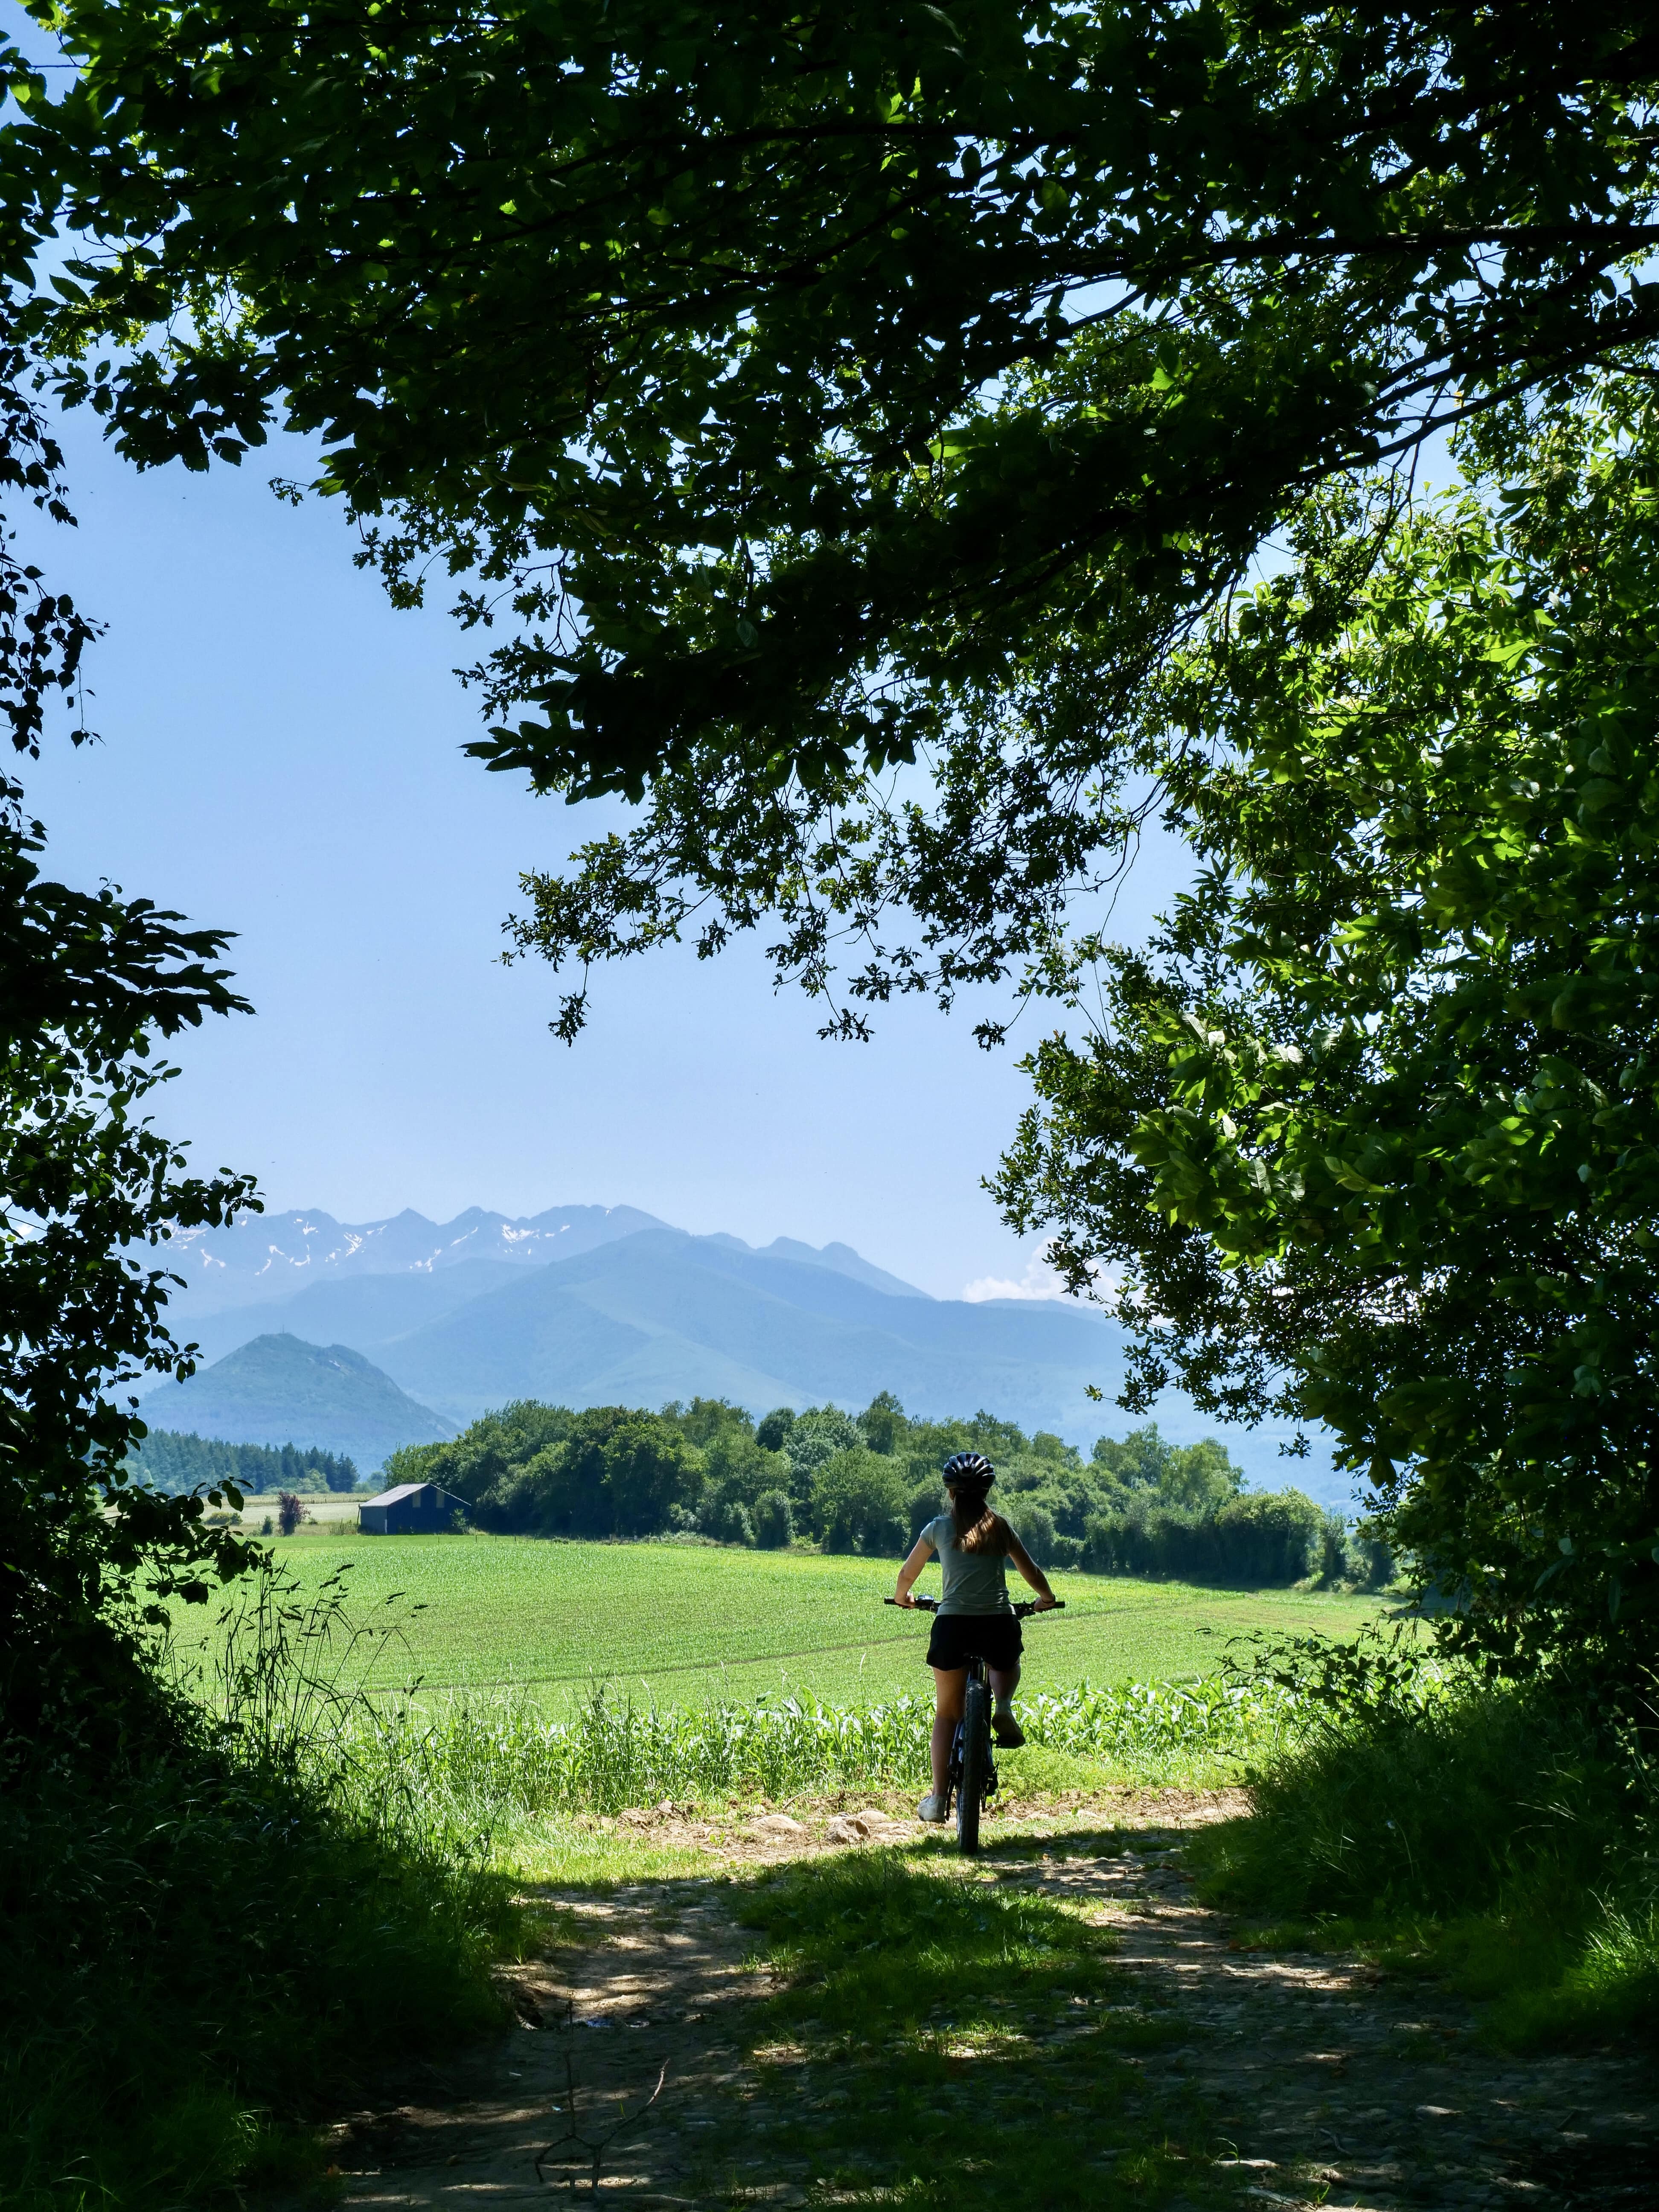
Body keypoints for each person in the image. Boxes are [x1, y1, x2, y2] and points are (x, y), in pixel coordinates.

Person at [893, 1450, 1057, 1823]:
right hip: (997, 1622)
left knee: (948, 1713)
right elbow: (1031, 1571)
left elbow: (907, 1574)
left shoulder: (938, 1528)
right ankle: (1003, 1706)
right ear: (987, 1491)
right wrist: (1045, 1599)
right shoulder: (1000, 1528)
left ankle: (938, 1800)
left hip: (953, 1626)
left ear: (950, 1492)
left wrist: (904, 1598)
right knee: (1006, 1661)